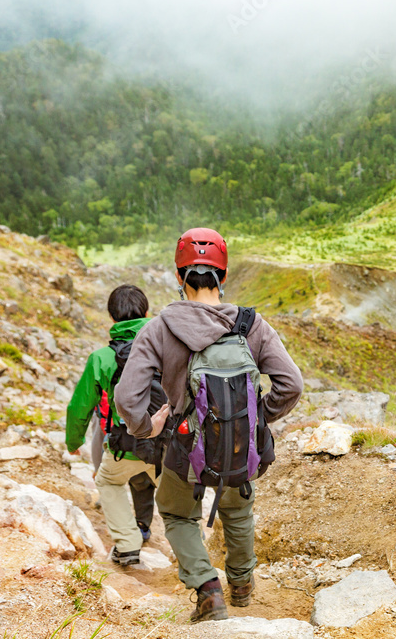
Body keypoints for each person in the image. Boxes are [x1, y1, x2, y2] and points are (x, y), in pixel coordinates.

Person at [114, 228, 303, 623]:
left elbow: (127, 398)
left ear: (180, 276)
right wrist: (257, 418)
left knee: (178, 513)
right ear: (225, 275)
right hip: (237, 444)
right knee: (237, 510)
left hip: (184, 447)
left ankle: (207, 590)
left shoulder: (160, 328)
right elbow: (292, 385)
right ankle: (242, 584)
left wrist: (145, 428)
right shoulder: (251, 325)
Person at [65, 284, 159, 566]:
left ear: (112, 317)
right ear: (146, 313)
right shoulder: (167, 348)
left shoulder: (101, 358)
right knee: (175, 497)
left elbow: (79, 407)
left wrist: (73, 442)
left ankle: (128, 545)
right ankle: (190, 552)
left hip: (126, 445)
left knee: (107, 480)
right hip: (169, 447)